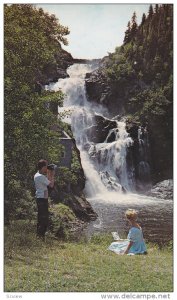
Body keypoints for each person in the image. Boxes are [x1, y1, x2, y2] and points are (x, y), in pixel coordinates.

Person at [34, 159, 55, 240]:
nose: (47, 167)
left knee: (40, 219)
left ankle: (38, 237)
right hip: (42, 200)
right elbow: (51, 185)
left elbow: (47, 182)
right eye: (46, 166)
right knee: (44, 219)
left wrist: (48, 173)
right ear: (43, 167)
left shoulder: (37, 175)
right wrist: (52, 174)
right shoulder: (41, 177)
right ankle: (41, 238)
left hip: (41, 199)